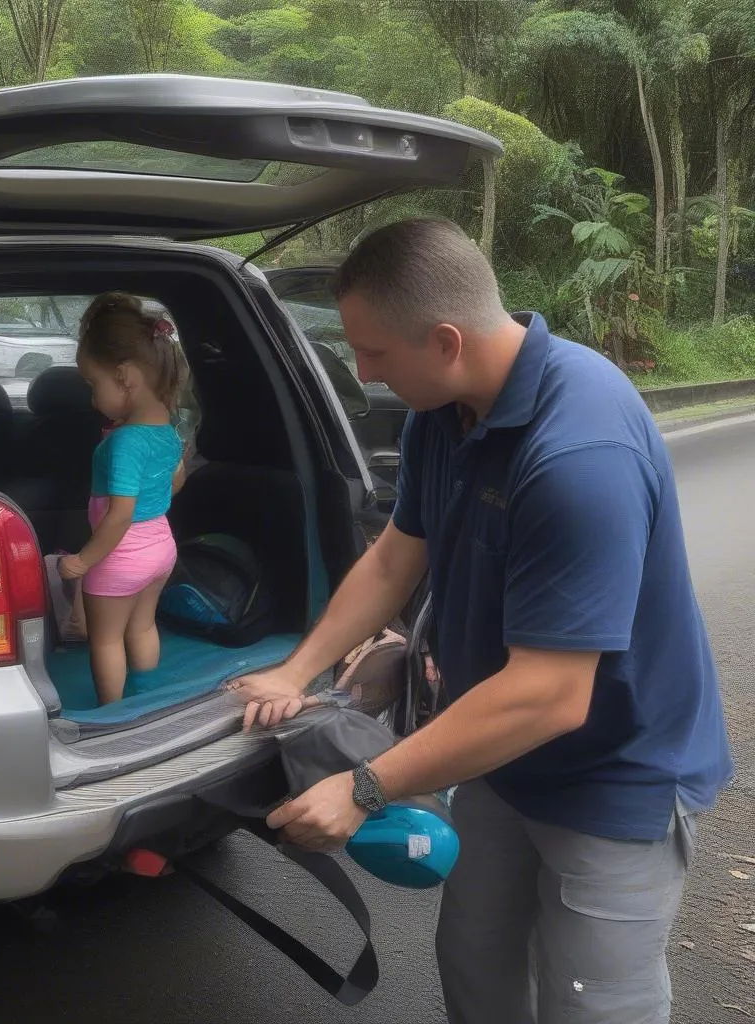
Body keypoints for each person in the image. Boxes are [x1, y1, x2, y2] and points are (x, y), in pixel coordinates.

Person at [229, 217, 733, 1024]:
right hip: (497, 756)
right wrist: (299, 669)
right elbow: (398, 558)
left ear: (447, 339)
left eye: (375, 355)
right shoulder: (445, 412)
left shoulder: (579, 454)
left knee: (592, 1004)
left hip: (613, 773)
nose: (361, 374)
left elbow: (550, 695)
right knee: (477, 967)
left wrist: (365, 785)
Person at [59, 292, 186, 705]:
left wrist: (82, 562)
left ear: (125, 376)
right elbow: (176, 482)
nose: (93, 398)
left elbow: (119, 516)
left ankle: (111, 714)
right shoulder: (167, 430)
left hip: (120, 559)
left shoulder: (124, 442)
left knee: (106, 641)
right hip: (161, 550)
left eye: (94, 384)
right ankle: (147, 696)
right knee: (143, 627)